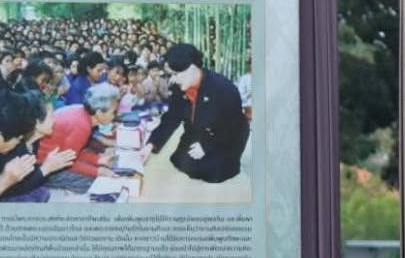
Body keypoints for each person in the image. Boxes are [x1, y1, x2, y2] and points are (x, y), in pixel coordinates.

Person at [143, 43, 251, 184]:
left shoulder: (224, 88)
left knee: (212, 173)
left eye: (176, 74)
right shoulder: (178, 87)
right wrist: (151, 144)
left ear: (192, 68)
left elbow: (234, 126)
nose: (173, 79)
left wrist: (207, 145)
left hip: (226, 137)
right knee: (180, 161)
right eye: (171, 74)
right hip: (197, 131)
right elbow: (171, 118)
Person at [37, 82, 121, 195]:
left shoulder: (81, 112)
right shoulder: (82, 126)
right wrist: (97, 171)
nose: (115, 115)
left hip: (55, 160)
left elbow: (72, 153)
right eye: (113, 112)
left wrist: (99, 160)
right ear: (99, 111)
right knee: (99, 184)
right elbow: (68, 161)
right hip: (45, 168)